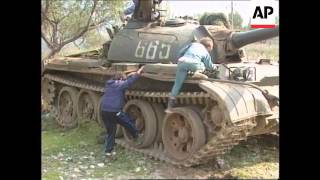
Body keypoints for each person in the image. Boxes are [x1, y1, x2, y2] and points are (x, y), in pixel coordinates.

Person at [101, 66, 144, 156]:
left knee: (111, 132)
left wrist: (128, 75)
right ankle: (136, 136)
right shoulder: (121, 85)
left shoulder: (109, 84)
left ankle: (108, 151)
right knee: (127, 123)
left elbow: (123, 81)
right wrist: (138, 73)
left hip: (104, 111)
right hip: (114, 111)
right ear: (120, 79)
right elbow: (129, 82)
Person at [166, 37, 216, 112]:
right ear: (208, 46)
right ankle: (197, 72)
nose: (210, 51)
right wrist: (215, 68)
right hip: (194, 64)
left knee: (177, 84)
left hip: (181, 63)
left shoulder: (193, 44)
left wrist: (180, 61)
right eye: (210, 49)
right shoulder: (205, 52)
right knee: (202, 64)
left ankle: (170, 106)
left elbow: (180, 52)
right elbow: (209, 65)